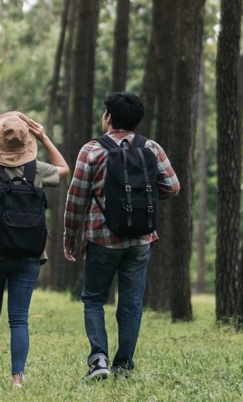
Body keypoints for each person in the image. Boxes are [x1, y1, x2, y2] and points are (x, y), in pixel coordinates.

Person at [63, 91, 179, 380]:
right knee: (131, 303)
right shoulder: (151, 148)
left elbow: (76, 198)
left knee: (93, 298)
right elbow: (173, 187)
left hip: (102, 238)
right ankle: (123, 366)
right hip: (141, 239)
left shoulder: (92, 150)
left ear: (109, 117)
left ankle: (98, 361)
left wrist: (70, 237)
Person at [0, 111, 70, 388]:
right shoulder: (37, 170)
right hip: (30, 254)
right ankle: (16, 379)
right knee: (19, 319)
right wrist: (44, 137)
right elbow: (64, 168)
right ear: (25, 143)